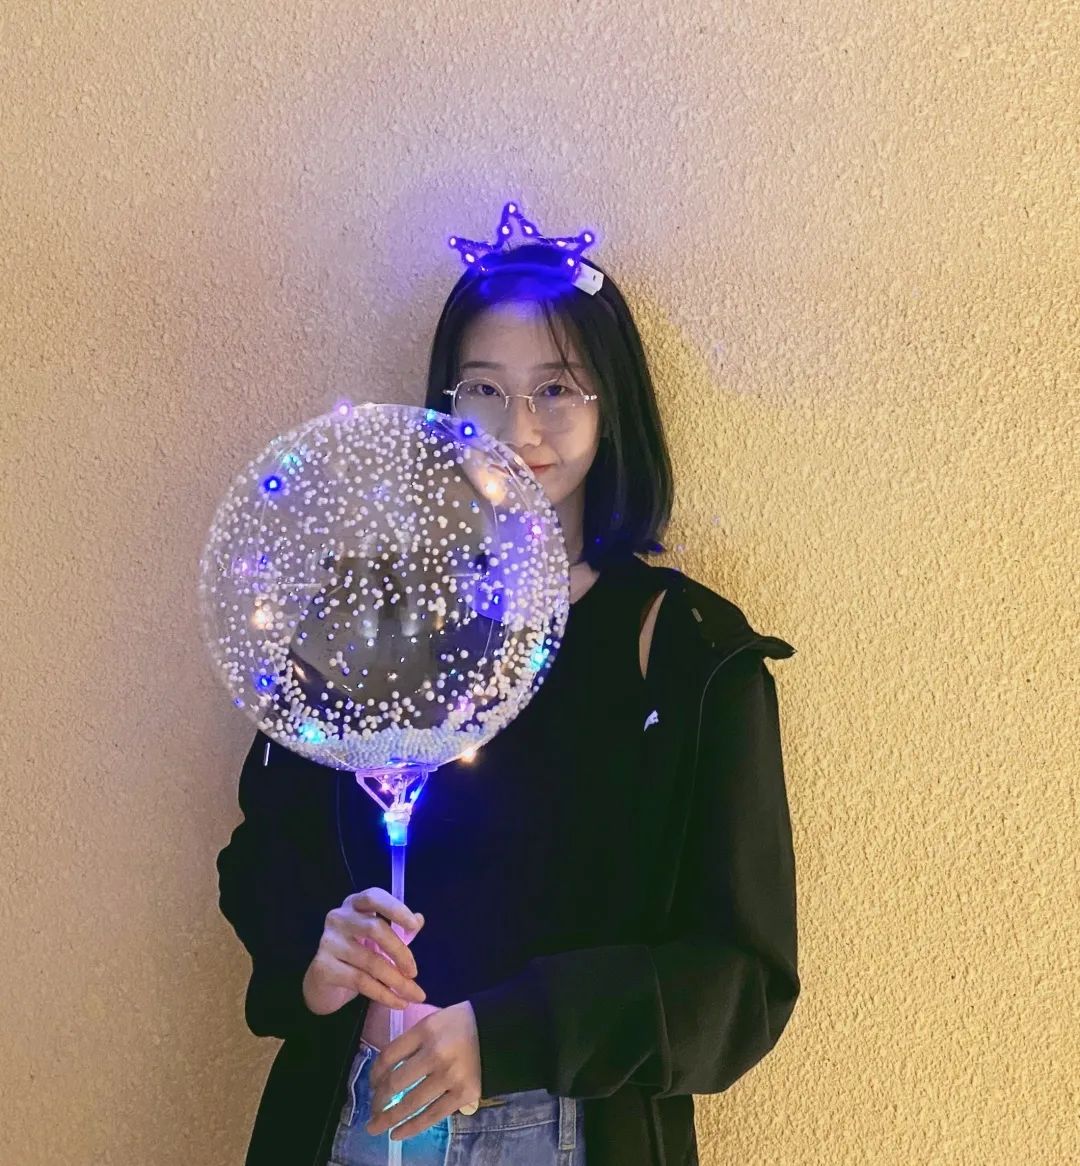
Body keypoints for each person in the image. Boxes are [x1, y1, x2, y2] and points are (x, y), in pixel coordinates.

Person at [216, 207, 800, 1166]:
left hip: (571, 1130)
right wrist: (313, 954)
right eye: (483, 387)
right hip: (353, 1114)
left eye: (556, 388)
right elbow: (264, 853)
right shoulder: (369, 614)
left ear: (612, 406)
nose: (518, 427)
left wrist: (509, 1035)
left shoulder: (682, 649)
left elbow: (742, 980)